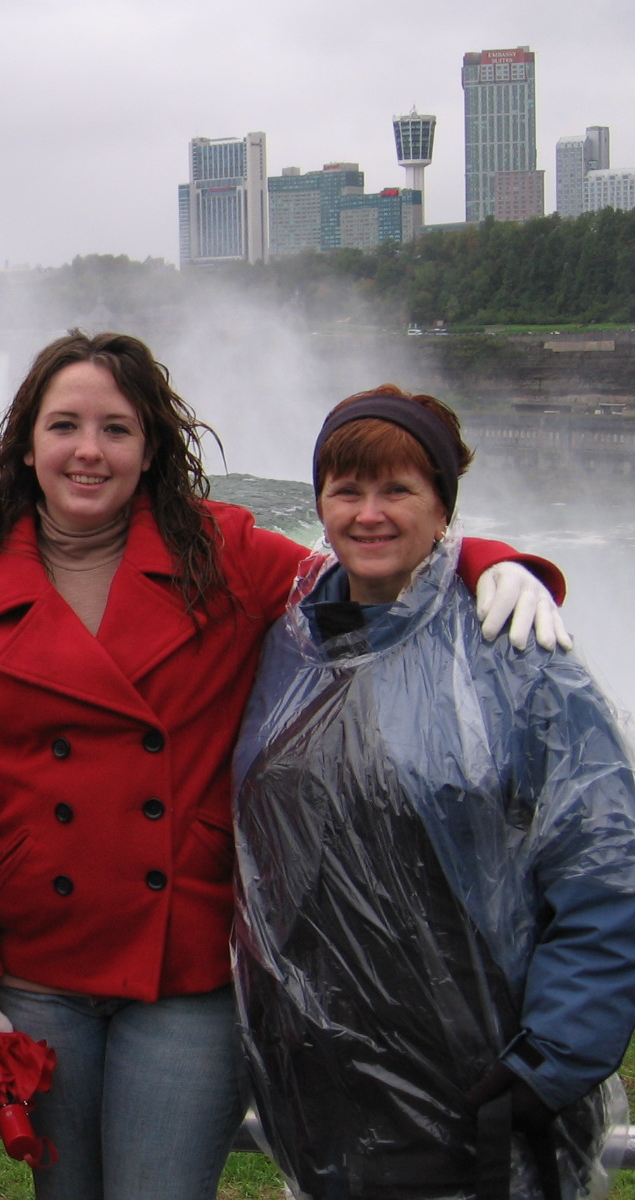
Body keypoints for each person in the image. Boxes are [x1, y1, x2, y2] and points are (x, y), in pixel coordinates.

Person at [0, 332, 569, 1200]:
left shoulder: (225, 557)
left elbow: (370, 570)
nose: (88, 451)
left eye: (115, 429)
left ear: (149, 447)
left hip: (187, 968)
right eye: (64, 425)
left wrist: (492, 561)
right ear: (26, 445)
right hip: (37, 970)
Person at [231, 386, 635, 1200]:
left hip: (488, 1084)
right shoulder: (288, 638)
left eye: (398, 490)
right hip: (324, 1080)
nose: (369, 513)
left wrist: (552, 1059)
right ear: (320, 504)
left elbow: (606, 866)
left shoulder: (517, 651)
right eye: (347, 490)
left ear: (442, 507)